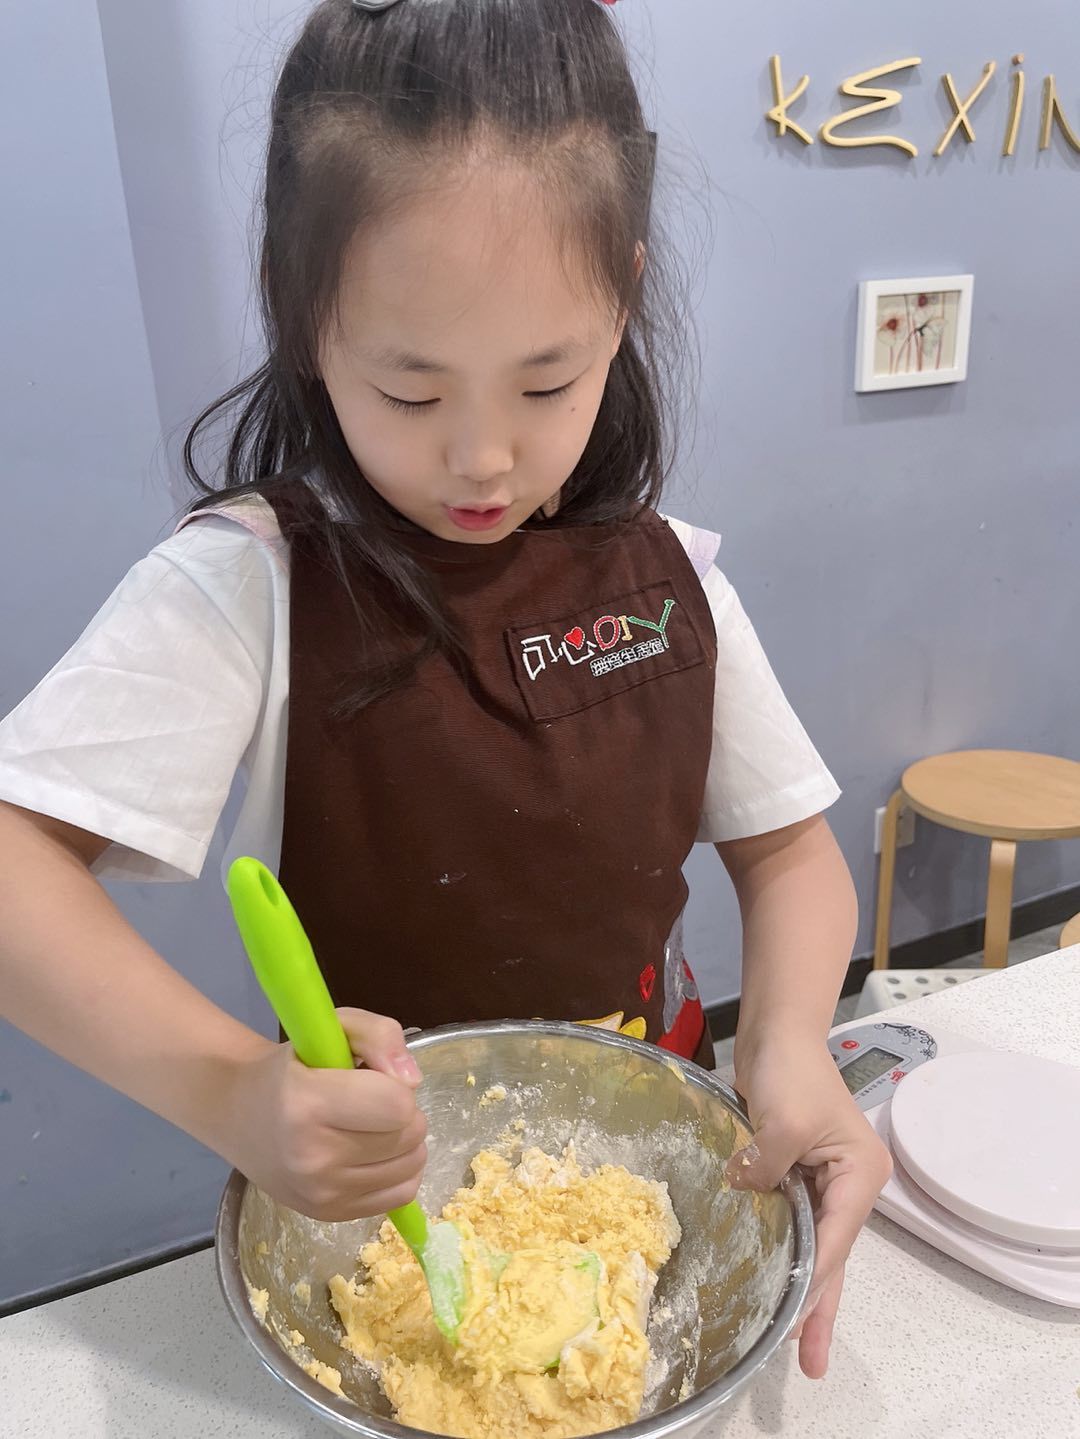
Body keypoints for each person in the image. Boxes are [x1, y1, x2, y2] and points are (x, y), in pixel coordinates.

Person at [0, 0, 889, 1379]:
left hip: (646, 1144)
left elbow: (788, 857)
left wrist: (788, 1045)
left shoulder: (671, 579)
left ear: (623, 300)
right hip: (387, 1207)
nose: (482, 458)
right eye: (411, 392)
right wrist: (235, 1093)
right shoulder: (252, 584)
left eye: (548, 382)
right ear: (305, 315)